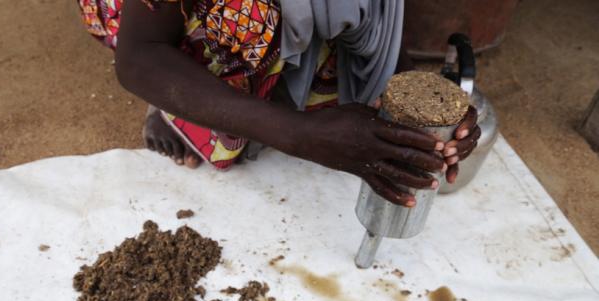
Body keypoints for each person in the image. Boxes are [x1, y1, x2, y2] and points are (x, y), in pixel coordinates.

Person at [77, 0, 480, 207]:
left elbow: (374, 11)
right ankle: (175, 106)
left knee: (333, 91)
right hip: (151, 20)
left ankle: (266, 79)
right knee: (243, 15)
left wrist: (419, 97)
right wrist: (298, 135)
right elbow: (138, 56)